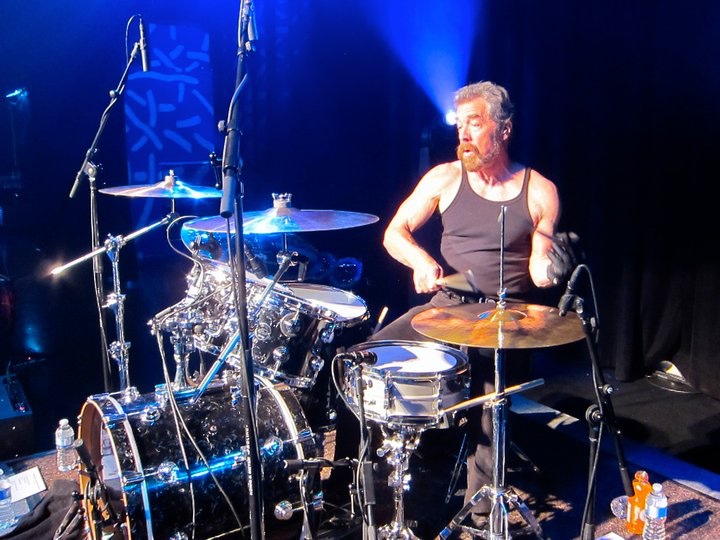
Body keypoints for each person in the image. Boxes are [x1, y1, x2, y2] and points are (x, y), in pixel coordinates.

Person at [368, 80, 579, 531]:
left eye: (475, 123)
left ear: (504, 130)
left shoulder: (539, 190)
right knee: (366, 363)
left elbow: (539, 269)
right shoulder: (444, 178)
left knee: (489, 408)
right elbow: (394, 233)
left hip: (507, 316)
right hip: (446, 307)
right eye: (460, 125)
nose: (463, 134)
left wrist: (553, 268)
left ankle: (481, 517)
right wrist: (421, 261)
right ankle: (359, 494)